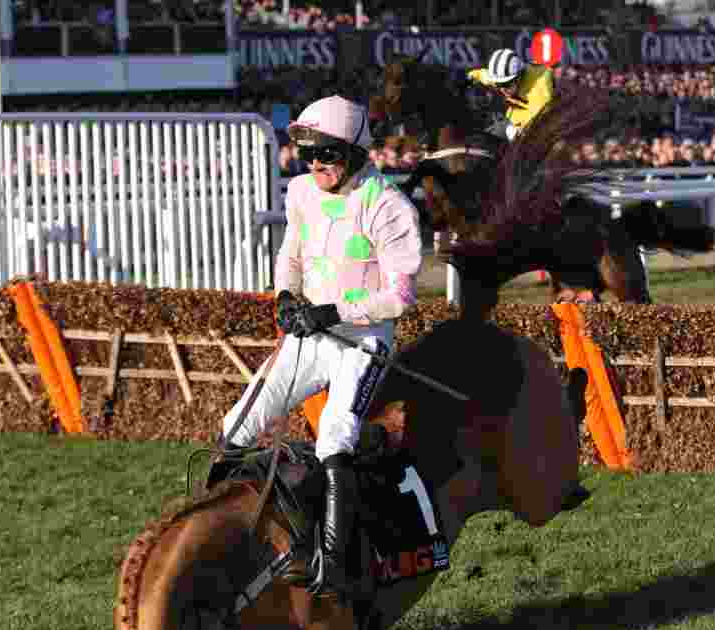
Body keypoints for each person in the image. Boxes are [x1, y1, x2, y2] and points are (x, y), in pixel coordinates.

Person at [220, 95, 423, 602]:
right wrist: (286, 295)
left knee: (335, 436)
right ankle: (225, 536)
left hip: (362, 342)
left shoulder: (388, 206)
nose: (316, 166)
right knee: (235, 426)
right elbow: (290, 253)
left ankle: (333, 564)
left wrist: (332, 312)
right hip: (310, 335)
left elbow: (399, 298)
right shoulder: (303, 193)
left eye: (327, 156)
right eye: (309, 156)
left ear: (355, 153)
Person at [467, 48, 556, 141]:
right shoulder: (505, 78)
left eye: (505, 84)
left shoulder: (538, 88)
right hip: (516, 118)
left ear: (519, 76)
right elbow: (482, 75)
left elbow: (540, 129)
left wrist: (513, 131)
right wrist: (468, 78)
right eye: (498, 84)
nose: (502, 89)